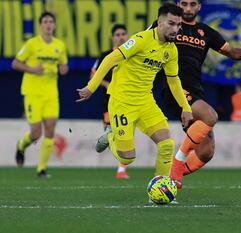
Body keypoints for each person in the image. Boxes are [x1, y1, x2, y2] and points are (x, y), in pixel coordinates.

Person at [77, 3, 193, 179]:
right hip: (122, 101)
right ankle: (110, 137)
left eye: (178, 25)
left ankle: (160, 188)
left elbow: (174, 81)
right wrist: (91, 87)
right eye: (171, 23)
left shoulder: (171, 50)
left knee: (167, 144)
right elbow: (109, 58)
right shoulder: (141, 40)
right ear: (159, 22)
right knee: (128, 158)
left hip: (146, 102)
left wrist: (186, 108)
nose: (176, 29)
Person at [156, 0, 241, 188]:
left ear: (199, 7)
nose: (188, 8)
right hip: (173, 86)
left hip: (195, 90)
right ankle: (176, 168)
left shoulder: (206, 32)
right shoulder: (168, 25)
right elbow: (146, 41)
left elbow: (232, 52)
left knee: (206, 152)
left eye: (193, 4)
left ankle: (167, 179)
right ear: (178, 4)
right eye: (184, 3)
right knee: (210, 115)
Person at [12, 11, 69, 178]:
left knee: (50, 129)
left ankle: (41, 169)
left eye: (51, 21)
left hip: (51, 93)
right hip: (32, 93)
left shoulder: (60, 45)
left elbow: (63, 65)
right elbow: (15, 63)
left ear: (55, 25)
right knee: (36, 133)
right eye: (45, 21)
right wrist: (32, 70)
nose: (48, 24)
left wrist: (63, 69)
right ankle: (21, 146)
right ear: (40, 25)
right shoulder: (31, 44)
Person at [91, 24, 130, 179]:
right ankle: (109, 137)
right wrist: (107, 84)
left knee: (128, 134)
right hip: (110, 101)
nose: (120, 37)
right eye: (117, 34)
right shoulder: (105, 55)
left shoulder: (132, 54)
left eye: (123, 33)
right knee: (115, 133)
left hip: (129, 100)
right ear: (113, 38)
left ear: (127, 36)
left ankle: (121, 170)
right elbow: (93, 75)